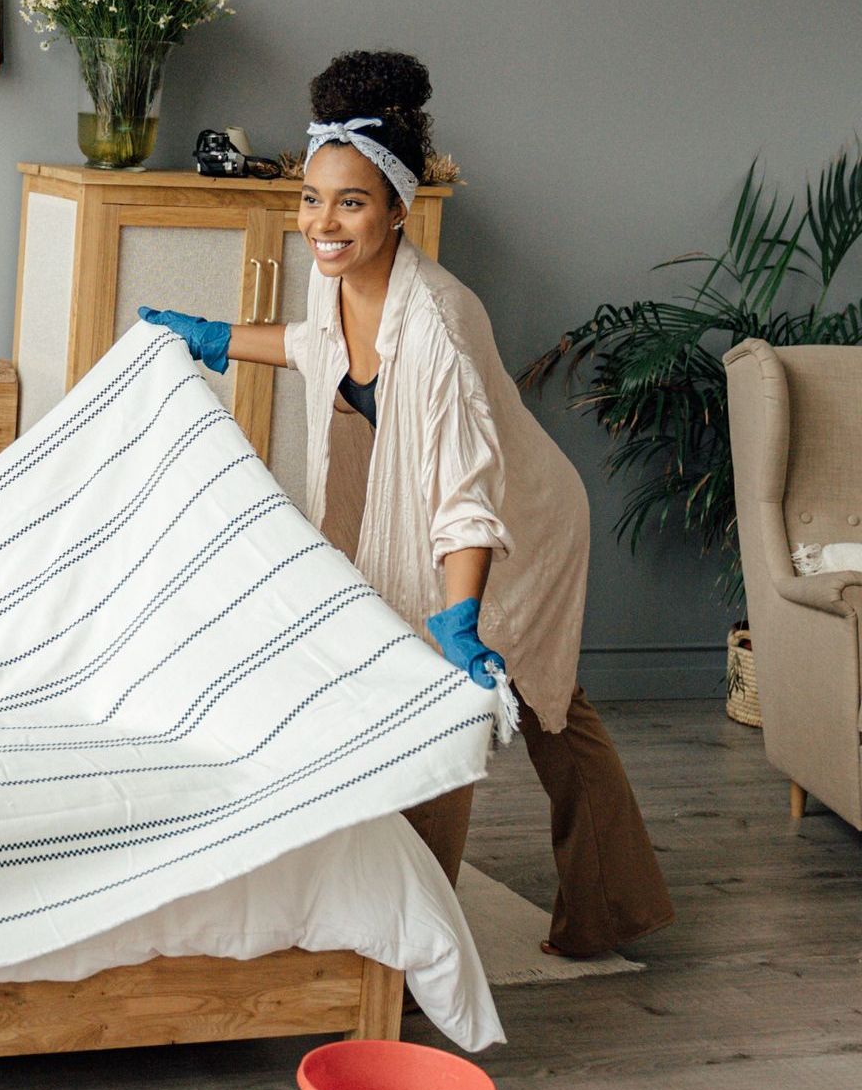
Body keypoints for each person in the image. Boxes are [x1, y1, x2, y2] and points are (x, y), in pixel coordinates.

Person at [140, 50, 672, 960]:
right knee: (509, 705)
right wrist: (216, 339)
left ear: (397, 207)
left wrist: (460, 615)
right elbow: (321, 348)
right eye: (312, 198)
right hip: (451, 522)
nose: (324, 222)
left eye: (350, 202)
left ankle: (417, 948)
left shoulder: (441, 323)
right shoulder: (335, 279)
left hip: (515, 523)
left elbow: (468, 489)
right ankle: (603, 905)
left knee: (499, 703)